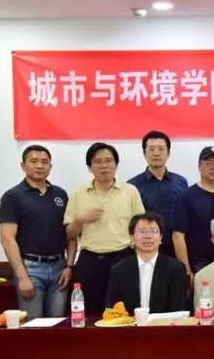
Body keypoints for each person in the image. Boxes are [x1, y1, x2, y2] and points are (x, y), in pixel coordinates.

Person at [64, 142, 145, 314]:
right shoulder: (79, 194)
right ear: (90, 167)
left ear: (116, 165)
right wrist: (80, 220)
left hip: (123, 257)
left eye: (108, 160)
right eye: (98, 161)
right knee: (90, 313)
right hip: (90, 261)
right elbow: (69, 234)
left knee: (125, 311)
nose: (104, 165)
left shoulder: (130, 191)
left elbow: (141, 227)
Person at [0, 145, 76, 317]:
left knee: (58, 324)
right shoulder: (12, 197)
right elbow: (7, 239)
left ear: (50, 166)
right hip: (31, 269)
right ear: (23, 166)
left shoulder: (60, 194)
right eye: (33, 161)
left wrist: (69, 266)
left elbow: (70, 235)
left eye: (44, 162)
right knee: (33, 326)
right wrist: (22, 277)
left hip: (60, 269)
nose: (40, 166)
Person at [106, 213, 189, 314]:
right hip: (130, 323)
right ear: (132, 237)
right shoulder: (119, 270)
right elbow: (112, 309)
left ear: (161, 237)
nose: (148, 236)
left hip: (165, 323)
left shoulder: (175, 268)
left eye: (153, 231)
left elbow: (179, 309)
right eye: (142, 231)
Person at [172, 146, 214, 284]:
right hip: (198, 264)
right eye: (208, 163)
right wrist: (186, 270)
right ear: (199, 166)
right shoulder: (186, 196)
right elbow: (178, 236)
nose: (213, 167)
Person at [128, 130, 188, 257]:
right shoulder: (132, 185)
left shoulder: (181, 182)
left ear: (168, 153)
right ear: (144, 153)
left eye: (161, 149)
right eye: (151, 149)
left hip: (176, 246)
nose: (156, 153)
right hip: (146, 246)